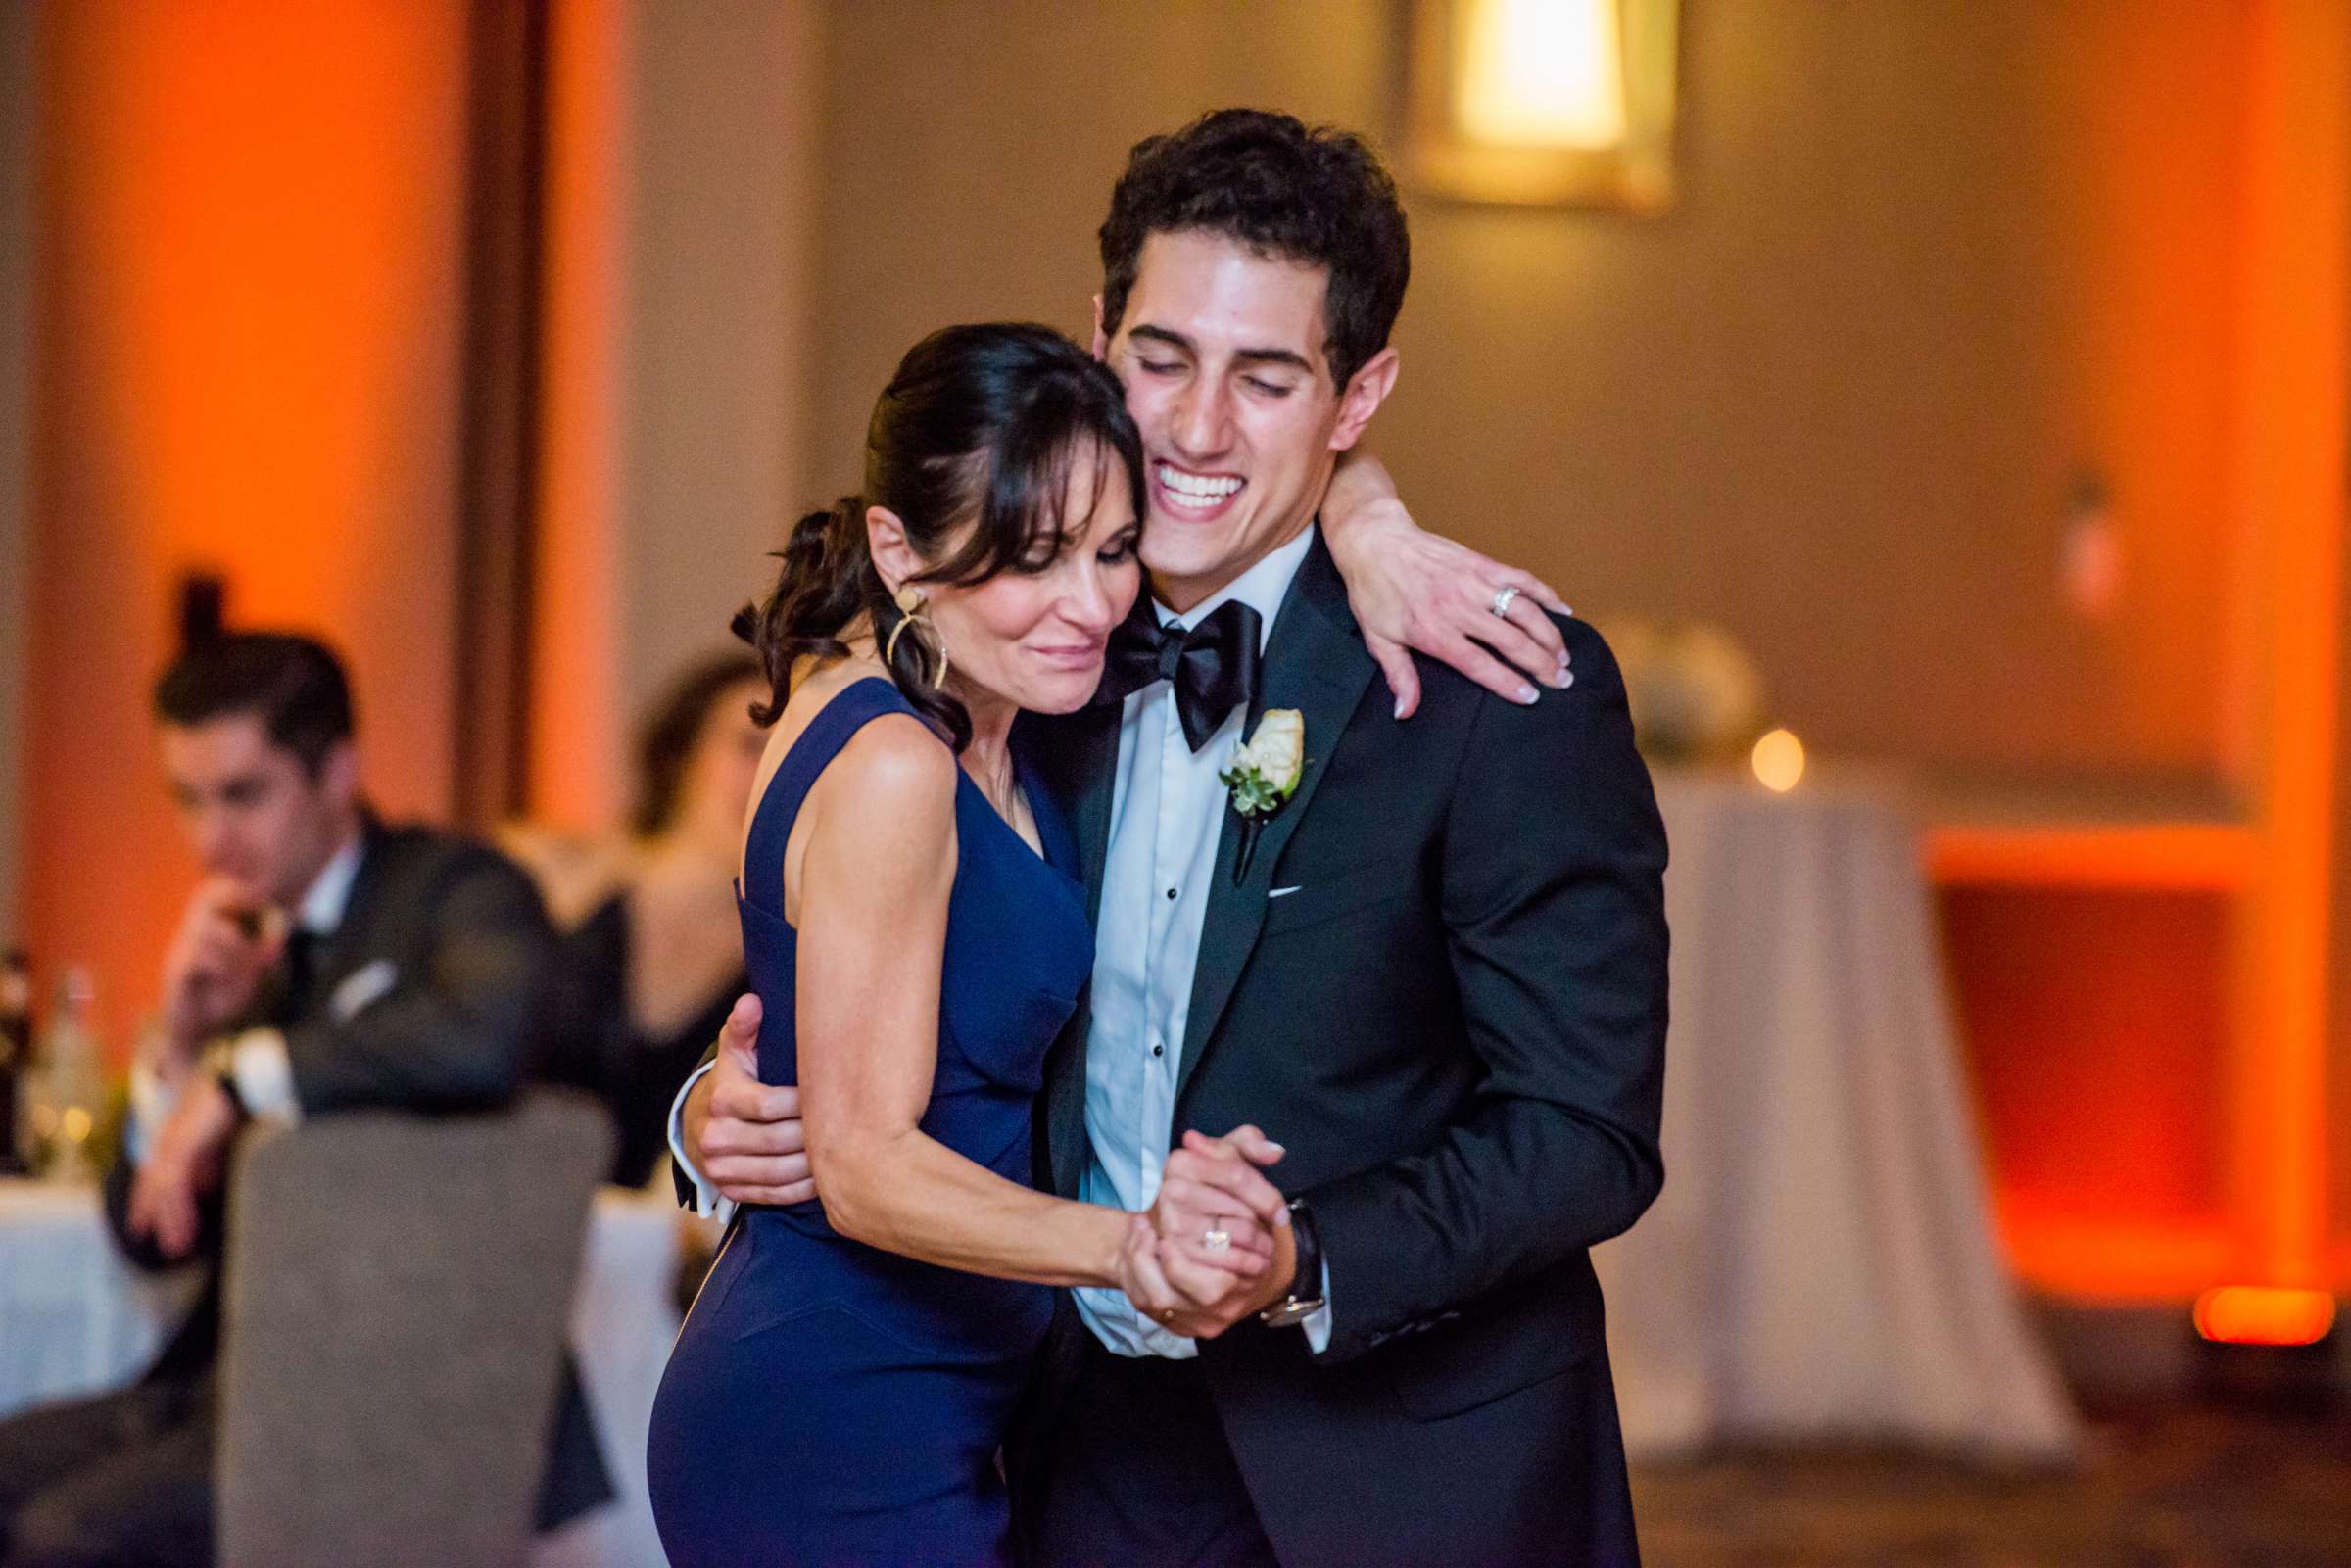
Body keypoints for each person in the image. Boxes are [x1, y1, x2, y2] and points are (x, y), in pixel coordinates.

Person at [675, 110, 1670, 1568]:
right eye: (1161, 361)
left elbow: (1586, 1133)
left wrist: (1303, 1254)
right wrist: (716, 1114)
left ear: (1358, 394)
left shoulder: (1496, 688)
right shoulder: (1034, 643)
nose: (1198, 431)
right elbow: (886, 963)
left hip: (1398, 1473)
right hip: (1074, 1446)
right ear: (1098, 340)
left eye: (1268, 379)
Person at [644, 322, 1302, 1567]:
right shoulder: (894, 759)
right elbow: (866, 1164)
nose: (1092, 604)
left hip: (943, 1400)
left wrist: (1368, 520)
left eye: (1114, 551)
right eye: (1033, 558)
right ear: (901, 549)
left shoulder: (997, 716)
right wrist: (1132, 1245)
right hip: (833, 1411)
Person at [0, 632, 610, 1568]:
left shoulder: (454, 890)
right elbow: (147, 1237)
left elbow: (487, 1034)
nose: (210, 840)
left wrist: (246, 1071)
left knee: (65, 1537)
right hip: (223, 1386)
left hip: (386, 1401)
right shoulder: (248, 956)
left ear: (337, 770)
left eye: (243, 794)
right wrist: (182, 1046)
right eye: (187, 800)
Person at [527, 652, 766, 1187]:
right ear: (684, 757)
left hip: (677, 1253)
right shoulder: (562, 883)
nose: (768, 776)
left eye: (791, 758)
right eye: (750, 746)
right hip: (524, 1224)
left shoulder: (791, 949)